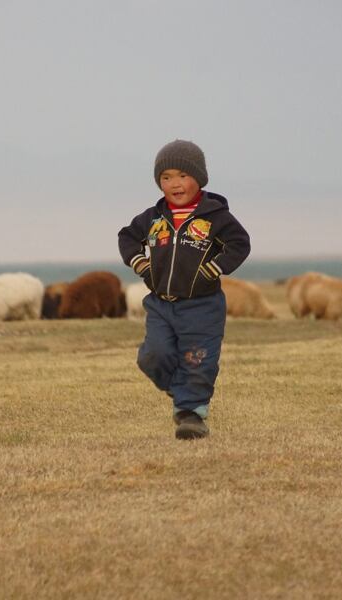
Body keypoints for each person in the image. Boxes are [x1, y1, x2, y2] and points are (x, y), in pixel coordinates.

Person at [118, 139, 251, 439]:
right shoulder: (153, 218)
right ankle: (180, 391)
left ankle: (192, 415)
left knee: (197, 359)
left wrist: (214, 268)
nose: (174, 184)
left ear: (199, 178)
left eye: (182, 175)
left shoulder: (216, 216)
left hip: (202, 306)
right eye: (166, 178)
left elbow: (240, 244)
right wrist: (141, 264)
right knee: (153, 356)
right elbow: (127, 238)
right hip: (161, 304)